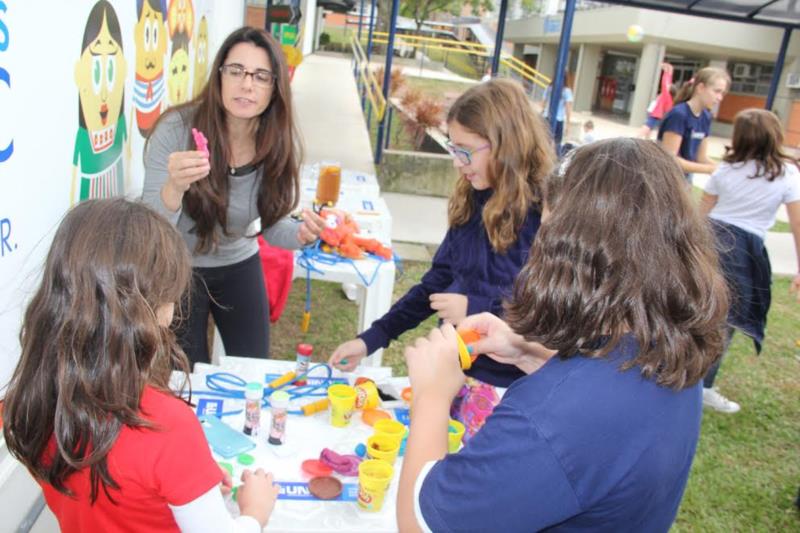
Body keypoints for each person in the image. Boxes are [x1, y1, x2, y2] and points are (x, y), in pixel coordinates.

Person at [397, 138, 729, 532]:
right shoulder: (673, 346)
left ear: (566, 254)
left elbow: (419, 524)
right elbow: (603, 410)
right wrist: (527, 353)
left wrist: (433, 396)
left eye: (546, 231)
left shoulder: (546, 420)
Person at [2, 199, 280, 533]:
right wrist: (255, 511)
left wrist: (190, 482)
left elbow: (114, 489)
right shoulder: (166, 427)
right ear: (155, 311)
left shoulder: (29, 401)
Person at [329, 79, 556, 437]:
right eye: (454, 148)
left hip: (507, 392)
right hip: (453, 372)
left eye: (466, 150)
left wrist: (476, 307)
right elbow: (434, 285)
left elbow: (551, 317)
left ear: (504, 144)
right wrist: (372, 338)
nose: (457, 162)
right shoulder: (472, 201)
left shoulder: (544, 219)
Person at [142, 27, 324, 368]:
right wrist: (173, 188)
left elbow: (271, 226)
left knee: (254, 369)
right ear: (219, 76)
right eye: (236, 71)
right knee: (185, 377)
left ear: (275, 87)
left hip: (239, 264)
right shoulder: (175, 130)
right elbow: (151, 225)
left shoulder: (278, 143)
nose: (247, 84)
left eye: (261, 76)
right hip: (178, 269)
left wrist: (299, 235)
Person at [698, 108, 800, 413]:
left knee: (703, 313)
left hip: (711, 241)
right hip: (742, 251)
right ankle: (703, 387)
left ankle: (691, 376)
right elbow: (797, 224)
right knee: (726, 321)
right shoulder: (786, 174)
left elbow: (701, 216)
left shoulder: (725, 171)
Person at [658, 66, 730, 183]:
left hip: (685, 180)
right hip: (666, 181)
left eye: (723, 93)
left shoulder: (706, 116)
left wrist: (726, 169)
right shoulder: (679, 114)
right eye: (717, 91)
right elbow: (670, 159)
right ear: (700, 88)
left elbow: (701, 157)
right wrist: (710, 169)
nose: (720, 98)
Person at [639, 62, 675, 140]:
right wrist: (670, 72)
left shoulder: (666, 96)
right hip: (657, 114)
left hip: (656, 114)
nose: (668, 85)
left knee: (646, 127)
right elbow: (667, 82)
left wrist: (666, 72)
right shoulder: (669, 98)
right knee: (649, 129)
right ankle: (646, 142)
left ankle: (637, 139)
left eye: (669, 86)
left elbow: (664, 83)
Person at [541, 72, 573, 151]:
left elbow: (543, 103)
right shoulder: (566, 91)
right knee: (556, 141)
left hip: (547, 116)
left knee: (545, 139)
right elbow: (568, 108)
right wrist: (568, 124)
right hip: (559, 119)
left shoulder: (549, 87)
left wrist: (543, 111)